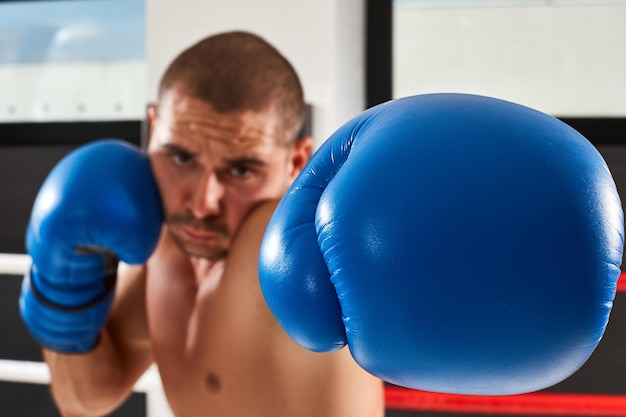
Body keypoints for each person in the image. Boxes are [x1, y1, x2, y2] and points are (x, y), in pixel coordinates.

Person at [20, 31, 384, 417]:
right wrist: (63, 290)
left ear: (297, 162)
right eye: (180, 158)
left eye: (241, 170)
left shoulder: (284, 247)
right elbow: (85, 400)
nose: (202, 203)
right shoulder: (167, 247)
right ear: (153, 129)